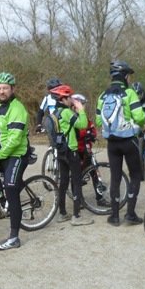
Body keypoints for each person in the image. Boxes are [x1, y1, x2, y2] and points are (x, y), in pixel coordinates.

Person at [96, 60, 145, 227]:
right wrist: (138, 126)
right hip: (128, 140)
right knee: (135, 175)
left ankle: (115, 215)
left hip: (112, 143)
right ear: (125, 76)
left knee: (115, 177)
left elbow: (98, 120)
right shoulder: (130, 93)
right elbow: (139, 116)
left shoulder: (102, 96)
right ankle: (130, 214)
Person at [0, 72, 30, 250]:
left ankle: (14, 238)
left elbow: (14, 138)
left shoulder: (17, 109)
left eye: (5, 88)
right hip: (1, 155)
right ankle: (3, 201)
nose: (2, 91)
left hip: (16, 155)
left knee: (11, 189)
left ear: (13, 89)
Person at [50, 85, 94, 226]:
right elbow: (82, 124)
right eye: (69, 98)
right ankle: (76, 216)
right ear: (63, 98)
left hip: (61, 151)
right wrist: (80, 109)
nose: (71, 100)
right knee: (76, 181)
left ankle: (62, 213)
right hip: (71, 150)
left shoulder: (55, 112)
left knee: (63, 182)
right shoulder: (67, 113)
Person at [73, 94, 110, 207]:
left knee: (95, 171)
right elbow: (77, 133)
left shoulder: (86, 119)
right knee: (76, 176)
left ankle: (100, 198)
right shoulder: (73, 118)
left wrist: (91, 134)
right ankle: (77, 200)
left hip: (87, 150)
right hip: (77, 151)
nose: (84, 107)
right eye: (82, 104)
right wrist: (85, 134)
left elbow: (92, 129)